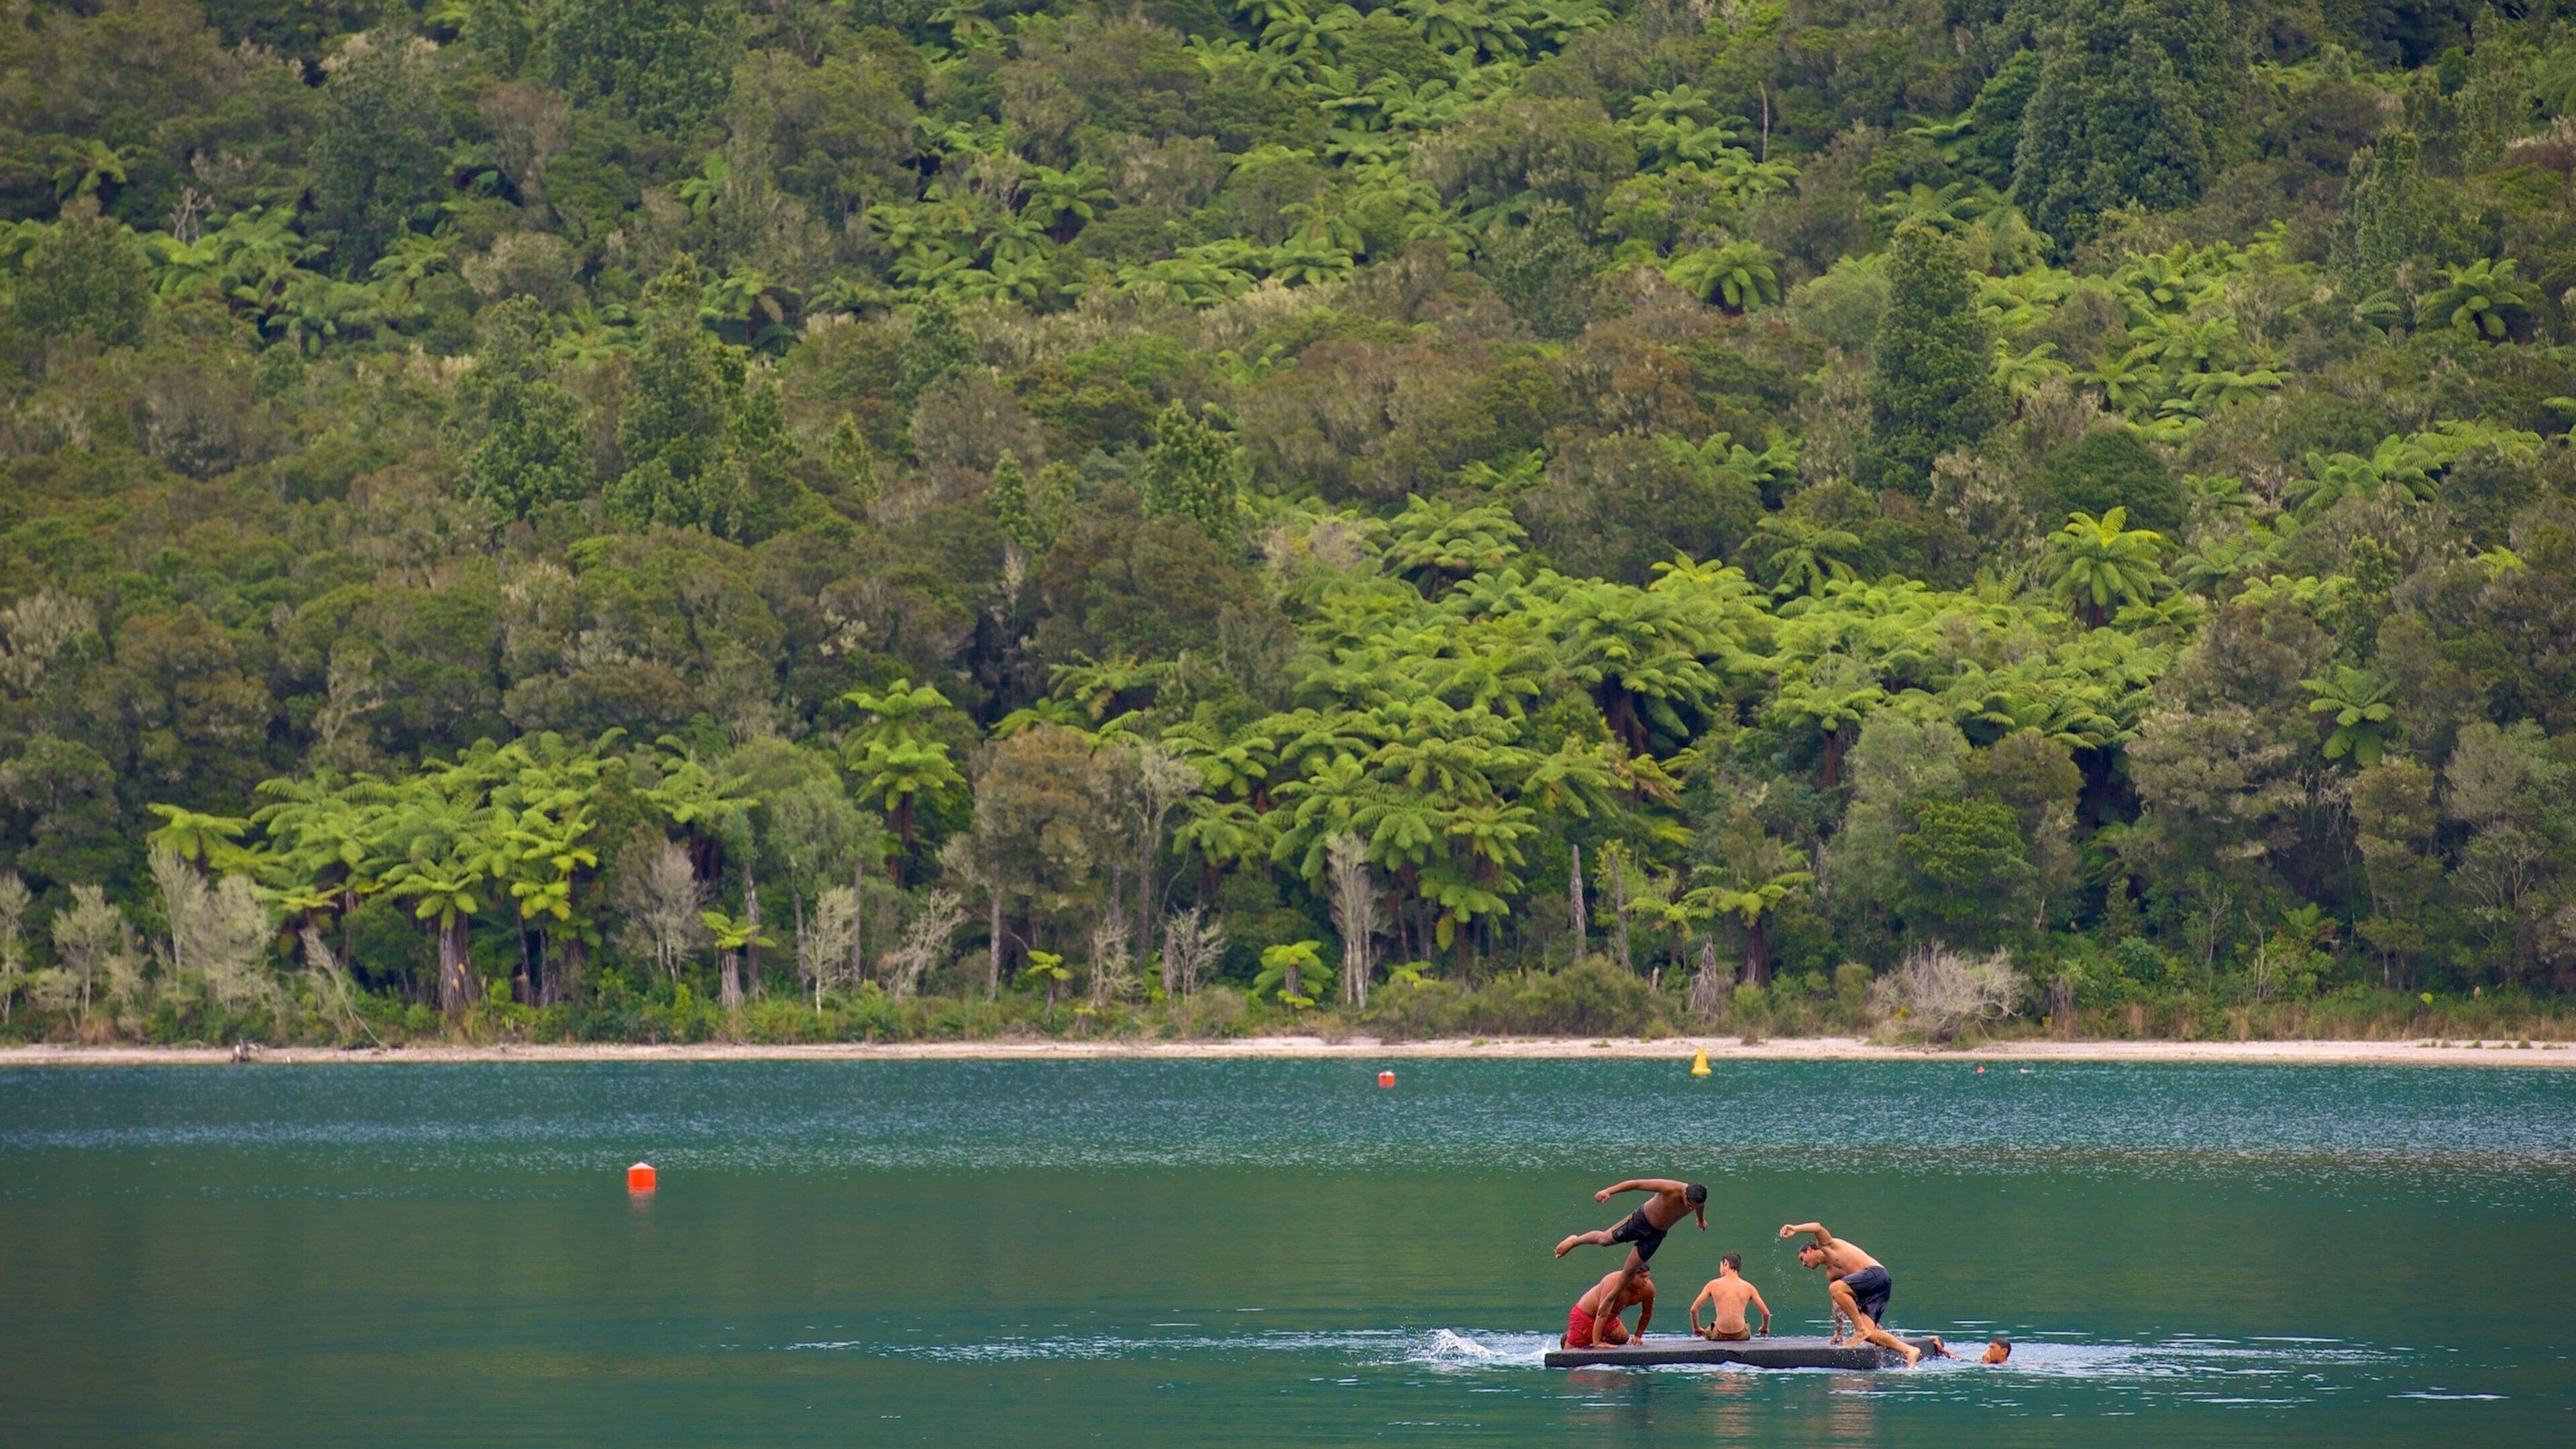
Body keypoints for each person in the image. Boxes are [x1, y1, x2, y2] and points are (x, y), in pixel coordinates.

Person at [1778, 1220, 1919, 1367]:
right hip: (1875, 1292)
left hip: (1877, 1275)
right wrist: (1839, 1332)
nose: (1803, 1264)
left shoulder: (1827, 1246)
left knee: (1836, 1290)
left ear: (1810, 1250)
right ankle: (1909, 1350)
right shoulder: (1831, 1274)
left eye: (1802, 1259)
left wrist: (1795, 1229)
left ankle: (1860, 1330)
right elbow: (1838, 1303)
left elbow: (1818, 1227)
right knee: (1870, 1334)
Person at [1554, 1179, 1709, 1277]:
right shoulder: (1670, 1188)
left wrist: (1700, 1220)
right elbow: (1636, 1184)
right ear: (1686, 1194)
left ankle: (1611, 1299)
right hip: (1641, 1220)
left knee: (1630, 1271)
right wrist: (1609, 1191)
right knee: (1604, 1240)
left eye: (1694, 1207)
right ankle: (1576, 1240)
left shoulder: (1697, 1202)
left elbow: (1700, 1207)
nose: (1690, 1208)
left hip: (1658, 1233)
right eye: (1689, 1204)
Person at [1564, 1263, 1656, 1349]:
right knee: (1569, 1356)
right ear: (1631, 1275)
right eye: (1642, 1277)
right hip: (1586, 1317)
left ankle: (1591, 1337)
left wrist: (1638, 1336)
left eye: (1647, 1276)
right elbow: (1602, 1312)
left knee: (1622, 1338)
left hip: (1608, 1319)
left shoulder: (1649, 1289)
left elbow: (1646, 1313)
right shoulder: (1612, 1282)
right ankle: (1572, 1338)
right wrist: (1598, 1343)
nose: (1645, 1281)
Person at [1688, 1253, 1770, 1341]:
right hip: (1741, 1335)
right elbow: (1766, 1313)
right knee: (1746, 1325)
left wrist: (1696, 1329)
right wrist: (1764, 1328)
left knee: (1709, 1330)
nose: (1720, 1270)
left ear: (1725, 1264)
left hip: (1719, 1334)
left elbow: (1694, 1309)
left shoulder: (1712, 1285)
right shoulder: (1749, 1287)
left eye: (1720, 1266)